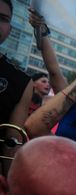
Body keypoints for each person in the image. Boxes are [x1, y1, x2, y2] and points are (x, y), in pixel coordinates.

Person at [0, 0, 33, 174]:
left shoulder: (21, 82)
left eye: (3, 18)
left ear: (9, 30)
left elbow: (12, 142)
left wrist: (9, 189)